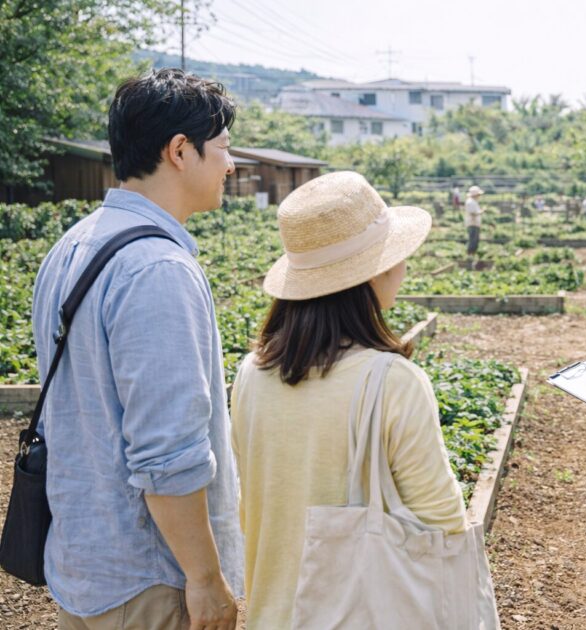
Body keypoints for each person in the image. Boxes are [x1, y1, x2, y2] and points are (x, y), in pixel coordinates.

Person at [32, 68, 243, 629]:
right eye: (222, 147)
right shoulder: (157, 269)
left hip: (83, 563)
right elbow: (167, 455)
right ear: (180, 151)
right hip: (150, 580)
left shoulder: (71, 245)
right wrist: (205, 579)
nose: (231, 164)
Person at [230, 172, 471, 628]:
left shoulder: (250, 375)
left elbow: (250, 507)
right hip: (359, 613)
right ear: (376, 268)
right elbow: (442, 519)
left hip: (272, 613)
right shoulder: (391, 381)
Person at [465, 185, 484, 256]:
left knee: (475, 240)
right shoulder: (470, 202)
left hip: (475, 223)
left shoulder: (473, 202)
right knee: (473, 240)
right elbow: (473, 213)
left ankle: (472, 255)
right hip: (472, 223)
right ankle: (470, 255)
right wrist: (481, 211)